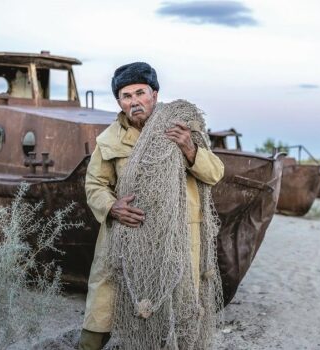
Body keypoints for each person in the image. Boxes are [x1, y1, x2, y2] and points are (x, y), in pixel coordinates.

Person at [79, 62, 224, 350]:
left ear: (154, 95)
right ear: (119, 102)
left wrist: (189, 149)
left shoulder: (181, 128)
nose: (134, 102)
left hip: (176, 239)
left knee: (177, 308)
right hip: (126, 234)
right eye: (126, 96)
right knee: (102, 309)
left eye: (140, 93)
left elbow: (215, 173)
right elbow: (95, 185)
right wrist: (112, 207)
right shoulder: (109, 139)